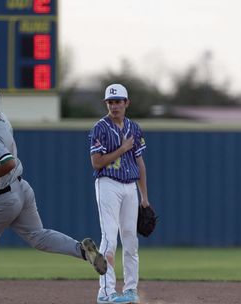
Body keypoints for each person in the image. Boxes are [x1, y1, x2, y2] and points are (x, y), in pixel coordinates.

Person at [0, 84, 107, 303]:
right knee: (38, 235)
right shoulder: (2, 119)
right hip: (22, 189)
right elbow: (2, 142)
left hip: (2, 198)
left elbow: (8, 161)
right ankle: (82, 250)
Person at [88, 84, 151, 304]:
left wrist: (144, 198)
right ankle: (105, 292)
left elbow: (140, 164)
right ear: (106, 104)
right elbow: (96, 163)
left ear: (127, 103)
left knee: (130, 240)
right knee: (109, 238)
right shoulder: (100, 128)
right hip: (108, 184)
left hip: (130, 187)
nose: (114, 106)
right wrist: (123, 149)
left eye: (118, 101)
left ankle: (131, 290)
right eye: (110, 102)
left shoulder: (134, 128)